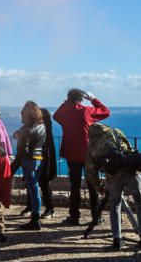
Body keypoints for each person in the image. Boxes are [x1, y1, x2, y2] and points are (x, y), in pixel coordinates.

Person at [53, 88, 111, 225]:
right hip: (88, 153)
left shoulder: (65, 111)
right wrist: (93, 99)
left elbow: (55, 116)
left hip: (72, 154)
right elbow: (106, 112)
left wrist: (65, 104)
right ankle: (96, 216)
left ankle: (74, 216)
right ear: (82, 99)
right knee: (92, 185)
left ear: (69, 98)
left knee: (75, 186)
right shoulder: (86, 111)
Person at [14, 101, 47, 231]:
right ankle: (36, 217)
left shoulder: (26, 129)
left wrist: (19, 161)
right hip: (39, 160)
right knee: (35, 189)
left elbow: (24, 148)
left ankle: (35, 219)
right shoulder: (42, 126)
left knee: (33, 191)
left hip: (29, 161)